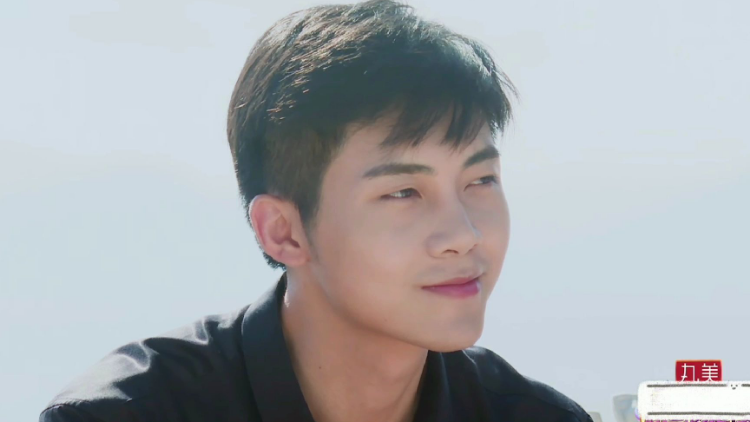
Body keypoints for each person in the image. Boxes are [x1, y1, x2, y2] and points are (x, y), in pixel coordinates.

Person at [40, 1, 593, 421]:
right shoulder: (131, 412)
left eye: (480, 180)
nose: (464, 234)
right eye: (403, 192)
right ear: (283, 232)